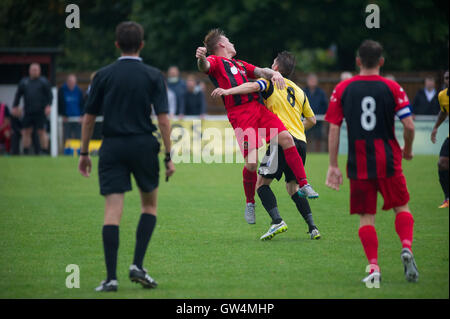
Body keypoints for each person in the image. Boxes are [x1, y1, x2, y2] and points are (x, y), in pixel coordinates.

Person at [78, 21, 175, 292]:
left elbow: (88, 120)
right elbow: (164, 121)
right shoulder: (154, 75)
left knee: (112, 212)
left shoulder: (103, 75)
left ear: (117, 45)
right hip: (144, 146)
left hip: (112, 147)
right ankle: (137, 265)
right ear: (141, 45)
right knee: (149, 207)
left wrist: (84, 152)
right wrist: (169, 156)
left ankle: (110, 278)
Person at [196, 28, 319, 225]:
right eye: (229, 40)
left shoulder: (239, 64)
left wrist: (275, 75)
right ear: (221, 44)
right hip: (240, 115)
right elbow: (204, 66)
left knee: (287, 138)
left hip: (258, 109)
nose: (232, 43)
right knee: (252, 164)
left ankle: (304, 184)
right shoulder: (216, 61)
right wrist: (201, 57)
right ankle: (250, 202)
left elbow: (262, 71)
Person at [325, 40, 418, 285]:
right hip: (389, 160)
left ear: (357, 61)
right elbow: (409, 125)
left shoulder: (343, 88)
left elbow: (333, 129)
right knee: (402, 207)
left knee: (366, 217)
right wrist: (407, 149)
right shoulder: (393, 87)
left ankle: (374, 267)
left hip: (359, 163)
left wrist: (333, 165)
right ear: (381, 62)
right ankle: (406, 247)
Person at [12, 63, 52, 155]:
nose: (34, 71)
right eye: (33, 69)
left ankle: (44, 151)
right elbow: (18, 95)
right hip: (28, 111)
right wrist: (15, 106)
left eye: (36, 70)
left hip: (41, 111)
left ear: (39, 71)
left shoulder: (44, 82)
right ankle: (26, 151)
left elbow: (50, 96)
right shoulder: (24, 82)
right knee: (26, 131)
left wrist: (48, 106)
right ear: (29, 71)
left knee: (41, 131)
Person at [431, 70, 449, 208]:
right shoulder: (442, 95)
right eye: (446, 78)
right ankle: (447, 198)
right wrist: (436, 127)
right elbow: (443, 112)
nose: (447, 80)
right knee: (442, 163)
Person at [303, 73, 328, 152]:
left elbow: (324, 105)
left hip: (318, 120)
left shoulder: (321, 93)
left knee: (318, 138)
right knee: (306, 137)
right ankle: (307, 151)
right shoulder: (303, 91)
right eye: (311, 80)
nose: (312, 82)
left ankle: (317, 152)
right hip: (306, 119)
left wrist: (320, 115)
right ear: (307, 81)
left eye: (314, 80)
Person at [58, 74, 84, 140]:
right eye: (70, 81)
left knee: (78, 136)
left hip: (77, 119)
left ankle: (78, 150)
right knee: (66, 137)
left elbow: (82, 104)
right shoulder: (62, 91)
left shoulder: (79, 91)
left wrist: (82, 115)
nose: (71, 83)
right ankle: (66, 150)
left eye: (73, 82)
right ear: (67, 82)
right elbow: (59, 104)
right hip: (66, 119)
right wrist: (62, 114)